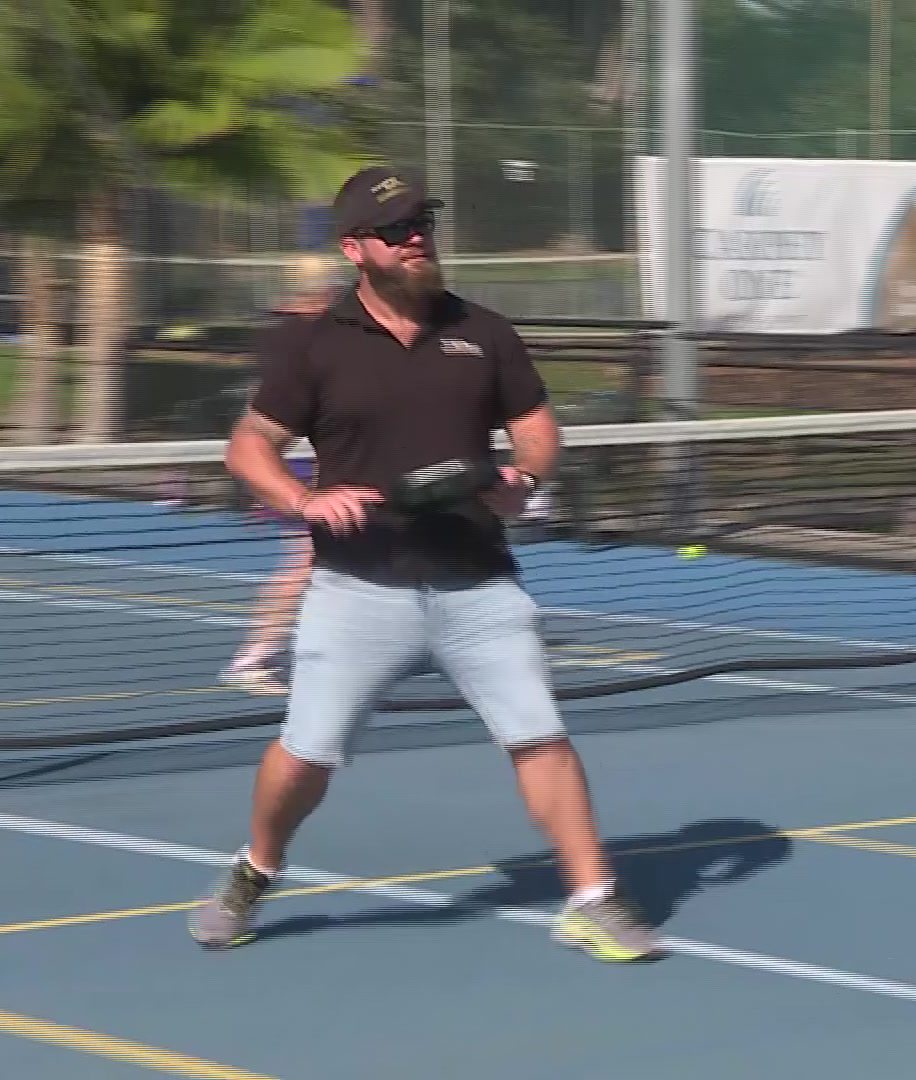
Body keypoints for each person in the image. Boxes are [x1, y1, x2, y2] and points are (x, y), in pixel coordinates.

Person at [190, 165, 660, 962]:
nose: (416, 238)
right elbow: (249, 446)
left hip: (480, 585)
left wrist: (525, 479)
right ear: (354, 248)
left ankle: (593, 898)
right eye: (396, 228)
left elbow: (539, 431)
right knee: (306, 755)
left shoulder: (485, 332)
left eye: (424, 223)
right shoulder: (316, 347)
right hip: (359, 591)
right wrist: (304, 502)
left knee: (541, 738)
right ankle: (254, 869)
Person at [221, 256, 340, 695]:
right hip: (306, 462)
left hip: (302, 456)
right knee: (308, 561)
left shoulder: (280, 332)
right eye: (332, 290)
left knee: (326, 560)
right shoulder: (312, 337)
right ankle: (255, 655)